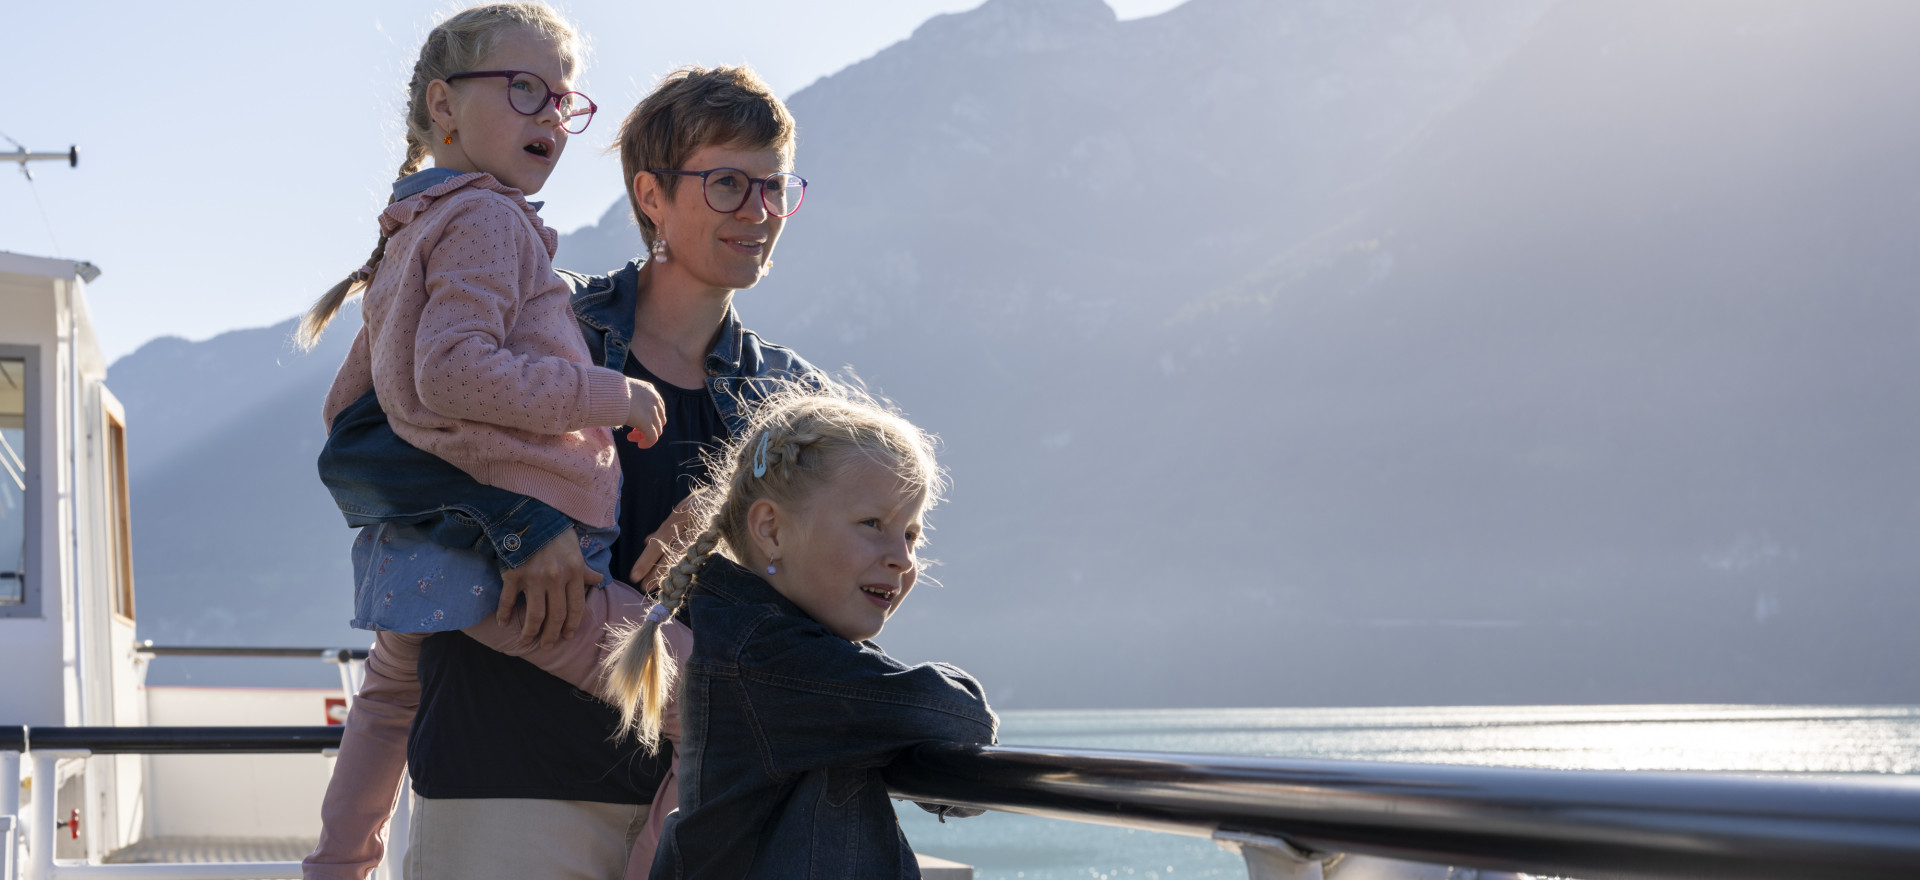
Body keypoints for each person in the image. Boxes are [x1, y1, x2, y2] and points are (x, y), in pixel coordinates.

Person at [310, 64, 821, 879]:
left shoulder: (788, 401)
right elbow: (366, 443)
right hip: (502, 785)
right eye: (728, 184)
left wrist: (725, 513)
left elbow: (831, 585)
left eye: (774, 187)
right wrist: (524, 526)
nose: (759, 213)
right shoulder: (540, 322)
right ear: (650, 195)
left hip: (696, 816)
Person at [297, 4, 681, 879]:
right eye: (523, 89)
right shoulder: (488, 221)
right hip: (510, 572)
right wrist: (608, 392)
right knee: (717, 706)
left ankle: (333, 868)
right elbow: (454, 374)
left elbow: (348, 413)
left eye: (564, 100)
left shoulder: (411, 228)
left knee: (388, 701)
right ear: (444, 104)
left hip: (423, 554)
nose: (551, 113)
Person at [605, 390, 998, 879]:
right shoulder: (775, 661)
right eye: (872, 523)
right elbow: (959, 718)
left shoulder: (760, 643)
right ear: (771, 530)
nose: (902, 556)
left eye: (911, 534)